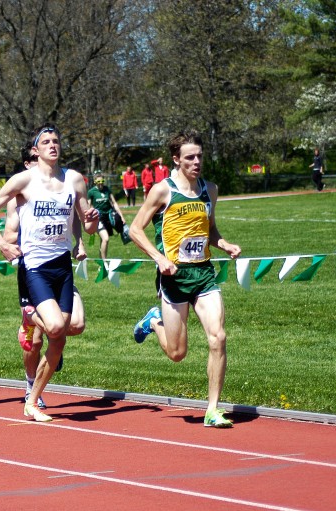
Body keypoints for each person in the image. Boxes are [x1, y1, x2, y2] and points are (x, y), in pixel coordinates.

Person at [0, 123, 98, 422]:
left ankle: (31, 401)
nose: (52, 145)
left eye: (56, 140)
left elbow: (87, 223)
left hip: (63, 266)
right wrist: (2, 245)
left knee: (63, 335)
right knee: (55, 327)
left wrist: (93, 220)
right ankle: (30, 316)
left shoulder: (74, 179)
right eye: (46, 142)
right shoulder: (24, 180)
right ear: (36, 149)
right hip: (36, 267)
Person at [129, 129, 241, 428]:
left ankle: (212, 409)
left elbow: (210, 229)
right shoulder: (162, 190)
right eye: (190, 157)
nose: (196, 162)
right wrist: (160, 258)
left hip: (203, 274)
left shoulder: (210, 190)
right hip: (174, 277)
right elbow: (135, 229)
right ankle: (154, 321)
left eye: (200, 156)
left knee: (218, 337)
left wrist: (224, 244)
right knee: (177, 354)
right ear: (176, 159)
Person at [5, 143, 87, 409]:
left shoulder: (62, 186)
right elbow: (9, 234)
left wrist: (79, 241)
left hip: (60, 266)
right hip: (33, 268)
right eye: (32, 159)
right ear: (28, 162)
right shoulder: (20, 193)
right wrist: (12, 244)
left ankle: (51, 330)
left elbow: (74, 217)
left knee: (75, 325)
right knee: (36, 341)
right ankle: (32, 386)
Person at [87, 175, 129, 260]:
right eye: (98, 182)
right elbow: (88, 206)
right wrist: (90, 219)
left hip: (109, 217)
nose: (101, 184)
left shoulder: (107, 190)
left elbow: (114, 203)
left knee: (104, 240)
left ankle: (102, 262)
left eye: (102, 181)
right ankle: (104, 262)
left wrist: (121, 216)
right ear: (95, 182)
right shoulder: (91, 192)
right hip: (98, 218)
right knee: (105, 239)